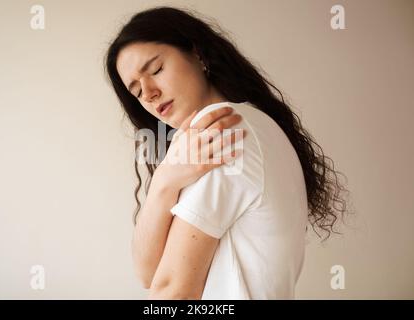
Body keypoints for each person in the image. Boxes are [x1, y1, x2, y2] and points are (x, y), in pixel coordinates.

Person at [104, 6, 350, 299]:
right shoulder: (235, 128)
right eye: (136, 91)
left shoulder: (224, 132)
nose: (149, 93)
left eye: (156, 69)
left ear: (197, 54)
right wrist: (163, 182)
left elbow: (172, 292)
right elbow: (148, 273)